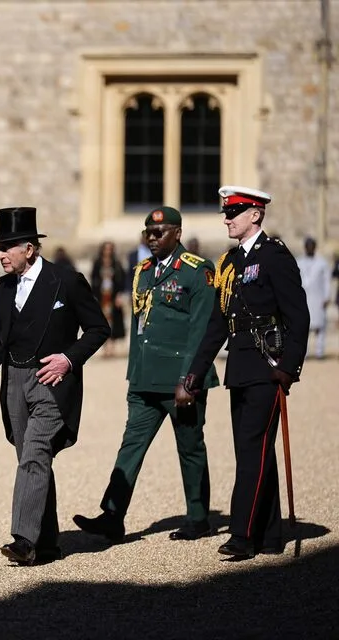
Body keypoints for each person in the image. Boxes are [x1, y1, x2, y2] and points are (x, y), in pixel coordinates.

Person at [0, 207, 110, 565]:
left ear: (30, 249)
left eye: (8, 246)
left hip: (52, 382)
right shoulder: (3, 287)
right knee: (34, 460)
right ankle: (47, 544)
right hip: (13, 382)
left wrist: (68, 359)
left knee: (34, 455)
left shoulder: (67, 281)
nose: (0, 253)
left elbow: (98, 329)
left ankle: (23, 540)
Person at [179, 186, 310, 559]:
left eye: (234, 210)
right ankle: (270, 536)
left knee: (252, 451)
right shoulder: (230, 263)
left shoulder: (274, 256)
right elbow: (218, 324)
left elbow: (297, 315)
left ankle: (242, 534)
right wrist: (196, 371)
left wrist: (289, 367)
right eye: (226, 211)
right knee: (254, 452)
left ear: (256, 214)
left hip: (268, 368)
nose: (227, 218)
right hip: (240, 367)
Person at [74, 207, 217, 543]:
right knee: (131, 446)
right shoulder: (142, 272)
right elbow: (140, 330)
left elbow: (201, 331)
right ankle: (112, 514)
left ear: (177, 234)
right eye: (147, 234)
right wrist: (133, 378)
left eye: (159, 233)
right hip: (146, 379)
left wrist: (189, 380)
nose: (152, 239)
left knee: (190, 448)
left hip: (181, 381)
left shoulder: (197, 272)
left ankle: (198, 517)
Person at [90, 241, 127, 357]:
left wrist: (120, 295)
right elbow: (93, 279)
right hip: (102, 296)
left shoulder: (116, 263)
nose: (108, 251)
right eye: (106, 249)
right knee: (103, 321)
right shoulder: (98, 263)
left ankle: (112, 347)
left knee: (114, 321)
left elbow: (122, 280)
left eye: (110, 249)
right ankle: (106, 347)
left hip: (113, 295)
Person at [296, 237, 330, 359]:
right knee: (303, 326)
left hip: (318, 298)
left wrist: (327, 296)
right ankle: (304, 353)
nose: (310, 248)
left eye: (312, 245)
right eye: (308, 245)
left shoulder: (322, 263)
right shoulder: (298, 262)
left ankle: (319, 352)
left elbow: (327, 281)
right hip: (304, 299)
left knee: (320, 327)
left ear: (314, 247)